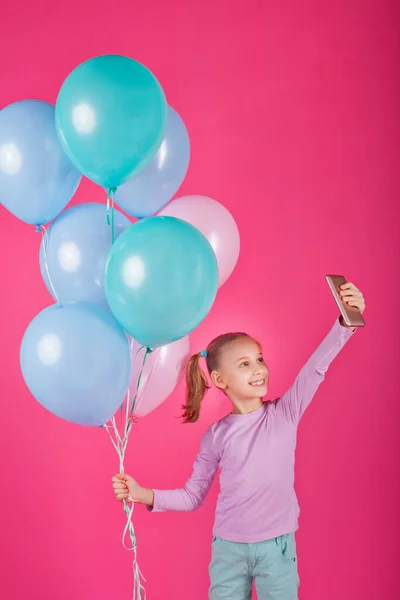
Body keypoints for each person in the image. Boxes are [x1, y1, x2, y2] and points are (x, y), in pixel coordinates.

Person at [112, 281, 365, 600]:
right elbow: (192, 496)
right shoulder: (216, 435)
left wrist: (344, 323)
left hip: (277, 549)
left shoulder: (284, 413)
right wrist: (143, 494)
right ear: (219, 380)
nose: (259, 369)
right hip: (228, 551)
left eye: (259, 359)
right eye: (245, 364)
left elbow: (315, 369)